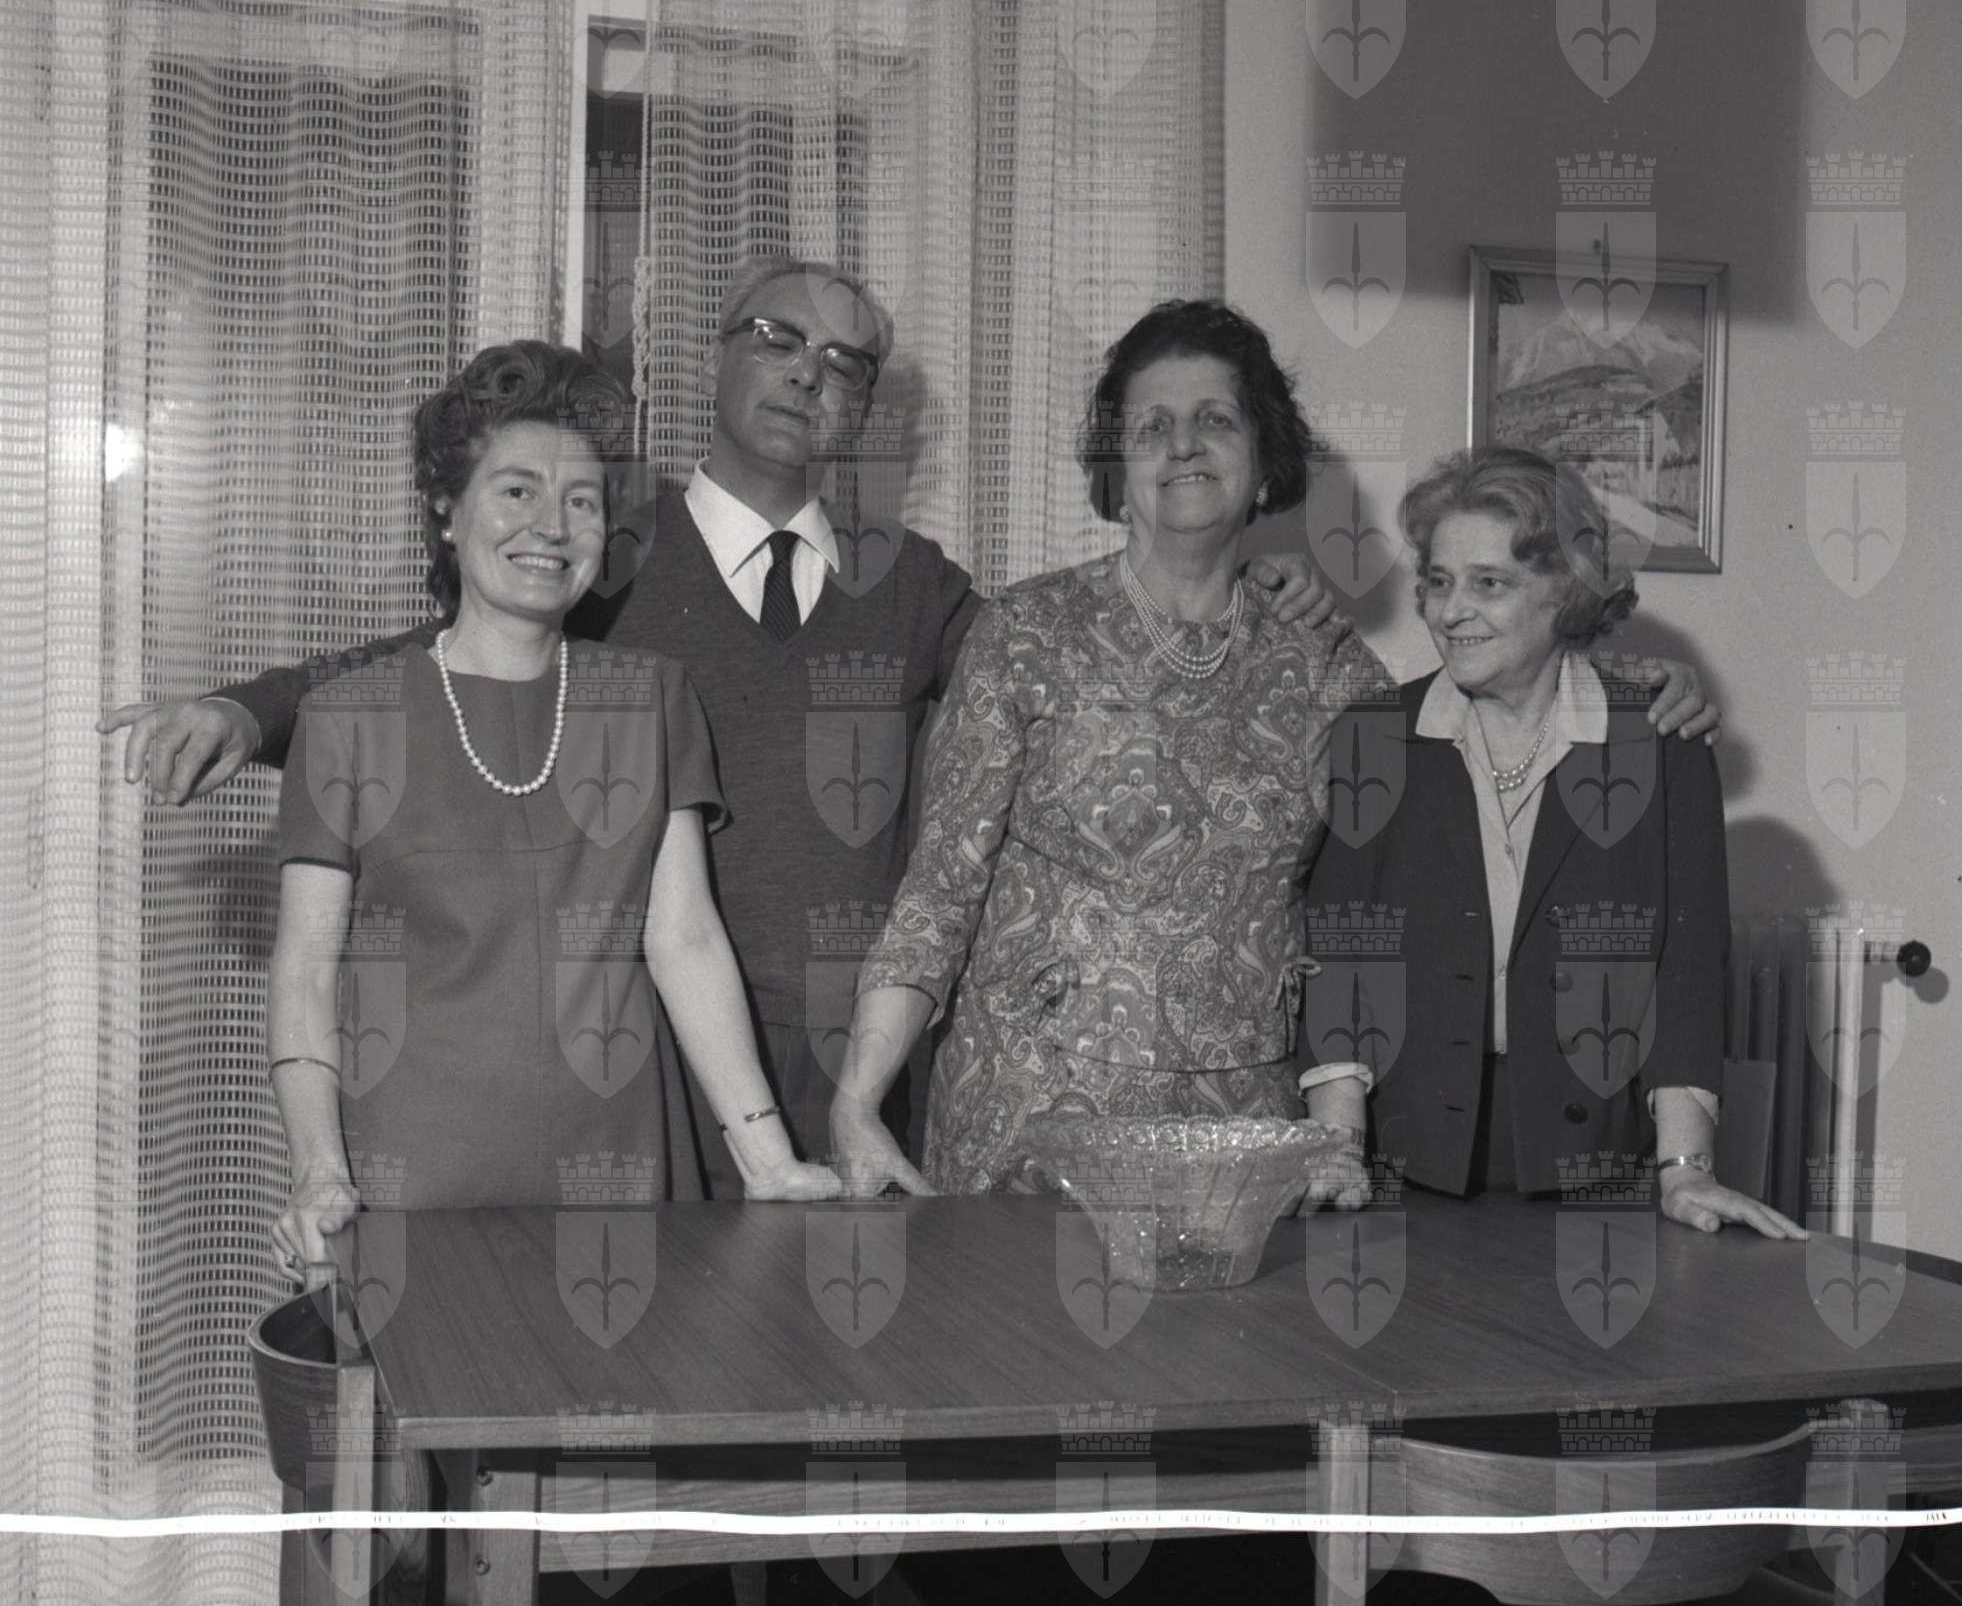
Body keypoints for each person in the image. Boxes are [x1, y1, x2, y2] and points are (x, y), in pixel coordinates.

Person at [101, 257, 1338, 1196]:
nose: (810, 373)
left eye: (847, 362)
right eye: (779, 339)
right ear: (717, 359)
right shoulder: (600, 543)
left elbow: (1081, 679)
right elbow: (425, 663)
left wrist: (1252, 588)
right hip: (663, 1057)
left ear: (864, 408)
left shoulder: (913, 584)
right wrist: (250, 709)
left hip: (857, 1057)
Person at [827, 307, 1720, 1198]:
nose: (1183, 445)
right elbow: (937, 894)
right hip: (1026, 1112)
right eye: (1151, 427)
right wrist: (859, 1100)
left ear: (1264, 463)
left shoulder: (1331, 667)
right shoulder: (1025, 633)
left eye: (1214, 420)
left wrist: (1621, 683)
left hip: (1243, 1130)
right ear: (1116, 467)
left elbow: (1479, 720)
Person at [267, 341, 837, 1274]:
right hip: (414, 1182)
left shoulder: (650, 696)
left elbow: (686, 940)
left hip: (624, 1176)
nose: (553, 526)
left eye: (582, 501)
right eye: (517, 491)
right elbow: (304, 973)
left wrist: (767, 1159)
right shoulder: (346, 720)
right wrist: (318, 1172)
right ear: (447, 510)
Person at [1295, 446, 1803, 1238]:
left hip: (1595, 1168)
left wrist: (1686, 1171)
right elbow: (1344, 961)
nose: (1450, 611)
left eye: (1488, 584)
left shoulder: (1662, 746)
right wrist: (1335, 1149)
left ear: (1564, 589)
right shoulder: (1375, 738)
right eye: (1438, 581)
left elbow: (1687, 975)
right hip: (1402, 1163)